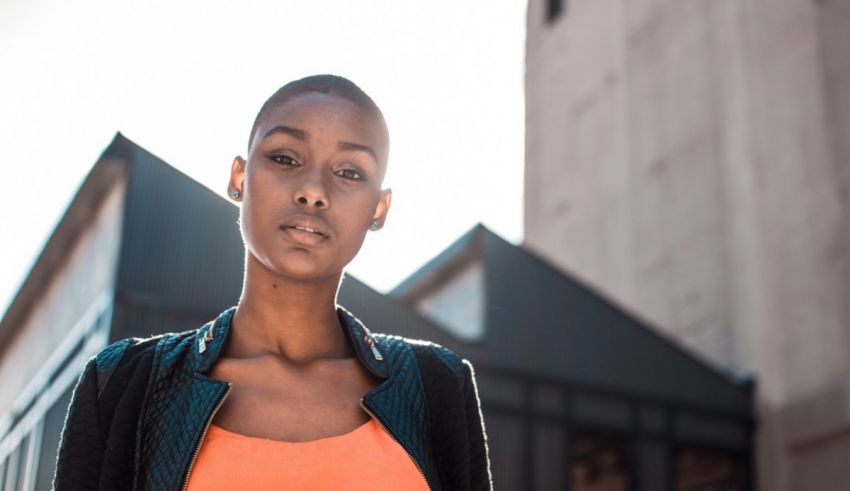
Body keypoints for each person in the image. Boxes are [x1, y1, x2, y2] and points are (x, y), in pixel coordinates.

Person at [52, 75, 493, 490]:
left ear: (378, 209)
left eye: (350, 172)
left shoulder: (437, 387)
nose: (313, 190)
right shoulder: (125, 384)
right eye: (285, 158)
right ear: (239, 178)